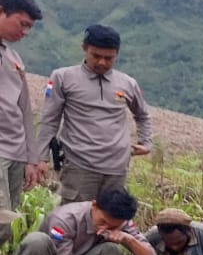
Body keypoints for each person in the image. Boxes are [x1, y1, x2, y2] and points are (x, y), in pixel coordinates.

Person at [35, 24, 152, 202]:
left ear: (117, 54)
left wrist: (146, 142)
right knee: (74, 219)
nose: (102, 63)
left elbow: (142, 115)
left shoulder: (128, 83)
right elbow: (50, 120)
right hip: (78, 166)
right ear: (84, 48)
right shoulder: (63, 77)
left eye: (109, 58)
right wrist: (40, 157)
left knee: (110, 222)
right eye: (96, 56)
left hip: (116, 168)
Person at [14, 188, 156, 255]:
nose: (104, 228)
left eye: (113, 226)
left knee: (113, 251)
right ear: (94, 205)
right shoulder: (65, 219)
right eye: (103, 221)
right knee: (37, 241)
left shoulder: (123, 222)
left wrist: (128, 239)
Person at [0, 0, 43, 240]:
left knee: (9, 219)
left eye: (29, 28)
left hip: (16, 150)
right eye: (22, 24)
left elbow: (25, 109)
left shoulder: (14, 58)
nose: (24, 32)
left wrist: (31, 158)